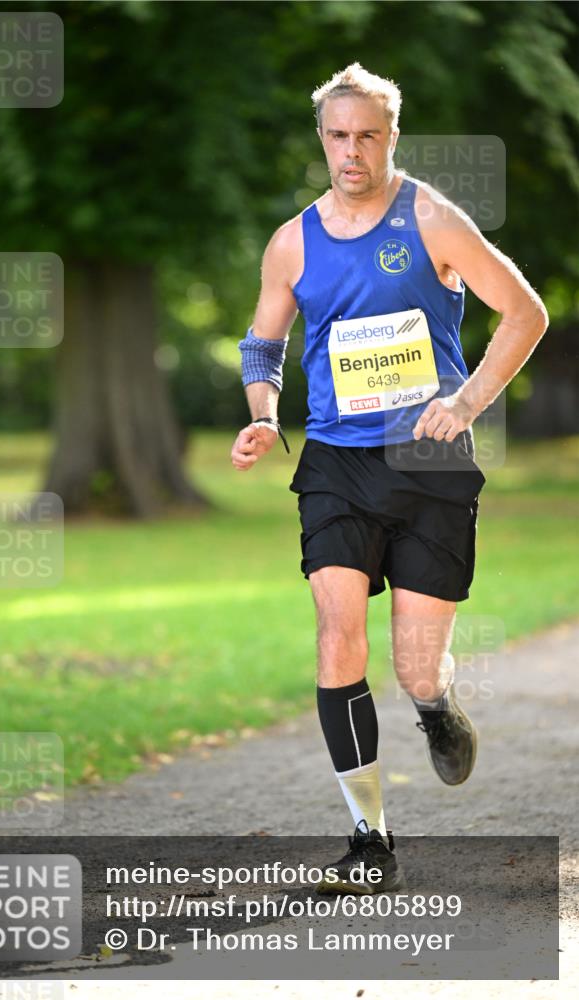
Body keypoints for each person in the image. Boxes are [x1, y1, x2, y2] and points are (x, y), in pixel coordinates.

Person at [230, 62, 548, 894]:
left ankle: (434, 707)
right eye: (338, 135)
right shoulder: (292, 241)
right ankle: (369, 838)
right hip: (336, 459)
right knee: (337, 635)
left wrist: (467, 401)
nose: (351, 151)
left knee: (413, 667)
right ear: (321, 138)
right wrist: (263, 412)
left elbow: (525, 312)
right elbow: (262, 342)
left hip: (428, 458)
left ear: (391, 137)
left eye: (367, 135)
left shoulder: (431, 217)